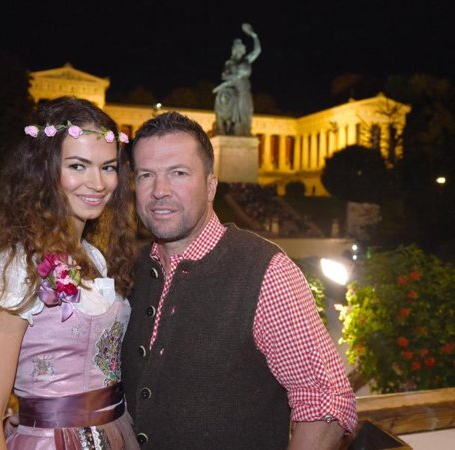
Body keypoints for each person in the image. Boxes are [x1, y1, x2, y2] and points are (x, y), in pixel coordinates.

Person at [122, 111, 357, 449]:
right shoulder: (131, 267)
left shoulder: (265, 271)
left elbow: (325, 401)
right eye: (146, 175)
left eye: (178, 173)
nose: (159, 190)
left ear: (211, 186)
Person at [0, 96, 138, 450]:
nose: (98, 183)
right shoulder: (15, 266)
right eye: (78, 166)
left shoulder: (95, 257)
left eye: (108, 167)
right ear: (43, 171)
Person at [212, 23, 261, 136]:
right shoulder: (229, 63)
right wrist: (233, 77)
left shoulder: (246, 60)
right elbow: (224, 76)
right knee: (236, 109)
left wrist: (254, 36)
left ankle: (245, 131)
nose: (243, 49)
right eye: (240, 47)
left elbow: (257, 51)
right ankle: (234, 129)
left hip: (245, 89)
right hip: (235, 89)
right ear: (236, 50)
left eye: (242, 48)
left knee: (248, 111)